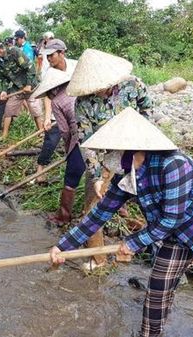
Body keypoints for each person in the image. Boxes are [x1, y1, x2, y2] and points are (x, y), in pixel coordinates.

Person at [49, 107, 193, 337]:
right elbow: (99, 214)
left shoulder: (173, 165)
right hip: (175, 232)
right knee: (157, 290)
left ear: (133, 149)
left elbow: (171, 218)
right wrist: (62, 246)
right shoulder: (127, 174)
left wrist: (133, 243)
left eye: (114, 150)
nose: (109, 156)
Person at [65, 48, 154, 269]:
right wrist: (96, 177)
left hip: (136, 154)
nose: (100, 90)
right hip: (105, 159)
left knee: (150, 204)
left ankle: (154, 247)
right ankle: (99, 260)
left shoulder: (132, 85)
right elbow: (87, 142)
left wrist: (143, 142)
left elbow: (148, 109)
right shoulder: (83, 103)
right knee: (93, 209)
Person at [31, 68, 84, 225]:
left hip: (80, 137)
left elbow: (65, 131)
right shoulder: (77, 91)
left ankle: (63, 217)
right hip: (96, 134)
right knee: (99, 175)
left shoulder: (57, 101)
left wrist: (70, 151)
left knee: (71, 178)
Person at [34, 39, 78, 184]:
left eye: (51, 55)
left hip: (77, 110)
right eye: (47, 56)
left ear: (61, 53)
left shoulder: (76, 66)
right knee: (51, 141)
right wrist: (47, 117)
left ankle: (72, 170)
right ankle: (40, 171)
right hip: (57, 110)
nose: (48, 59)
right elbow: (48, 97)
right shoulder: (49, 73)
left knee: (76, 142)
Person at [0, 37, 43, 139]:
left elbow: (30, 67)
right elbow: (3, 78)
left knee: (35, 110)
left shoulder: (14, 51)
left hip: (31, 86)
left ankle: (41, 132)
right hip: (17, 87)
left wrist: (29, 85)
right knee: (8, 110)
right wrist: (3, 91)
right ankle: (4, 135)